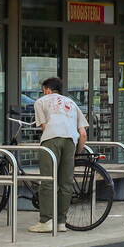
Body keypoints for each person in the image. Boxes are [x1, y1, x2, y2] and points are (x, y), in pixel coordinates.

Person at [29, 77, 89, 233]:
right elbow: (83, 133)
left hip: (51, 139)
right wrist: (77, 152)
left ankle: (46, 221)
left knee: (48, 180)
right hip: (71, 141)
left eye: (44, 90)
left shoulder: (41, 102)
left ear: (47, 90)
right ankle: (61, 222)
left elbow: (44, 127)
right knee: (65, 183)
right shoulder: (72, 103)